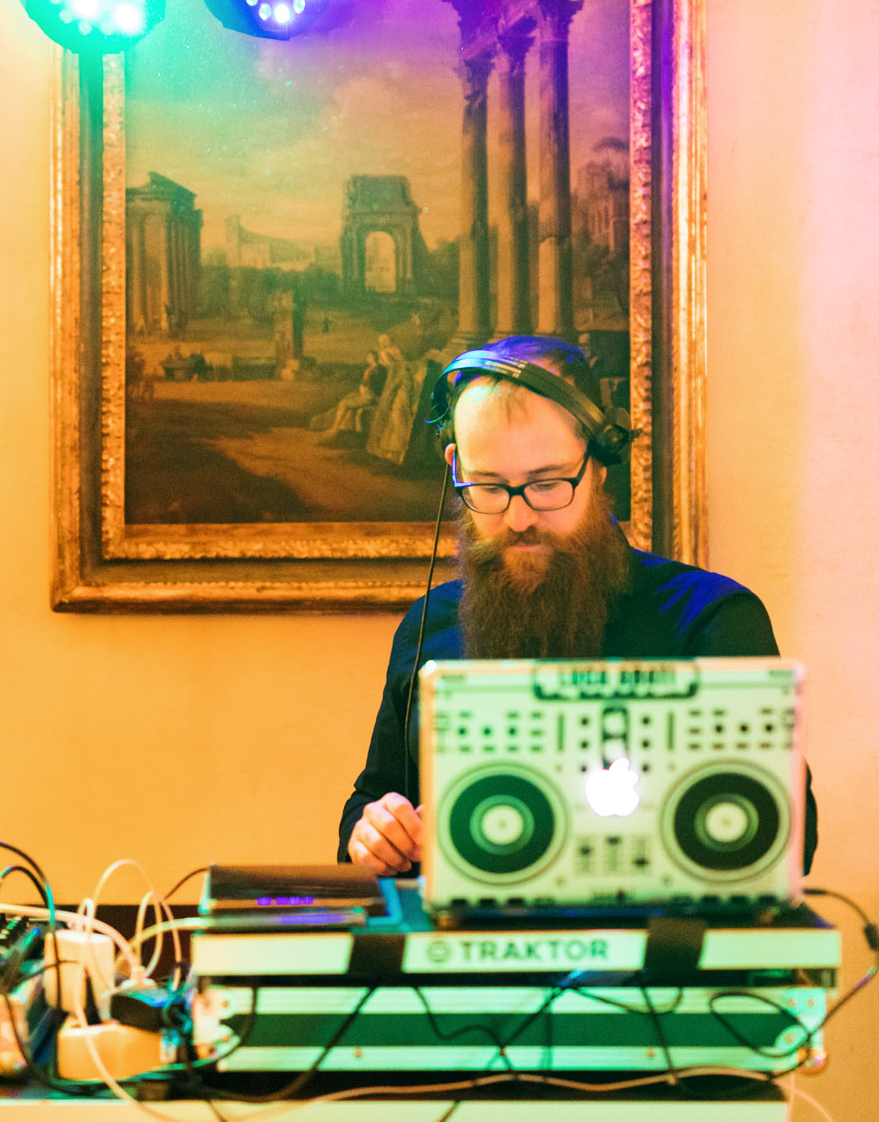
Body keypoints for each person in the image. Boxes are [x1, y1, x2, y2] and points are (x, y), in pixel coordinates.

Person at [338, 335, 816, 877]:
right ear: (455, 465)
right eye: (489, 487)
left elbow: (789, 841)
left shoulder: (711, 620)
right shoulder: (428, 625)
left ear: (600, 465)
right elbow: (372, 800)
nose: (519, 519)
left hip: (660, 934)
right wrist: (371, 831)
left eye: (546, 484)